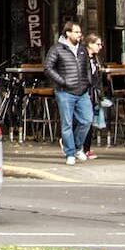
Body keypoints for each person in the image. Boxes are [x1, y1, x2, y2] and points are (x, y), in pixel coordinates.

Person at [44, 21, 93, 166]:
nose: (79, 35)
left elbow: (88, 67)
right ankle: (70, 152)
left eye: (80, 32)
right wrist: (62, 81)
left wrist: (88, 81)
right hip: (65, 92)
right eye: (76, 32)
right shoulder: (57, 49)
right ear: (68, 33)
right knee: (67, 123)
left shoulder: (82, 49)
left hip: (82, 91)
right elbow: (48, 67)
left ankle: (77, 147)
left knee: (87, 120)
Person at [81, 34, 107, 160]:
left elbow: (97, 78)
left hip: (92, 92)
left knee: (89, 120)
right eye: (97, 44)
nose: (100, 47)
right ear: (89, 44)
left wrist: (100, 93)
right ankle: (74, 145)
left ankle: (87, 148)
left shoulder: (96, 59)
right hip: (82, 91)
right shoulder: (82, 57)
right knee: (83, 120)